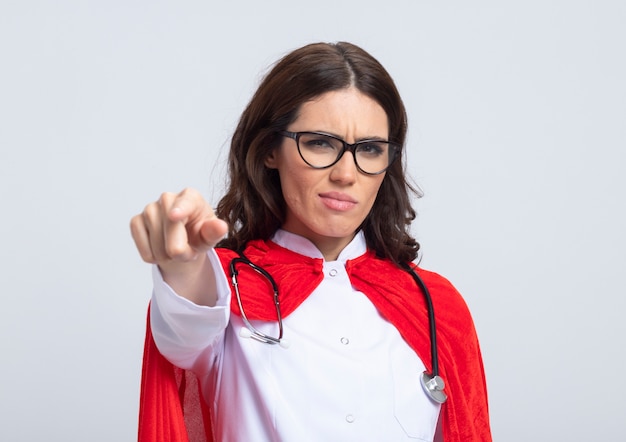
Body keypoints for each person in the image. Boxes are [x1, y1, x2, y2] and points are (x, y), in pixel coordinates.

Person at [131, 41, 491, 442]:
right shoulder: (226, 292)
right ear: (270, 149)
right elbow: (186, 322)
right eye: (321, 142)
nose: (345, 174)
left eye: (370, 149)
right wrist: (181, 265)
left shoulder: (434, 305)